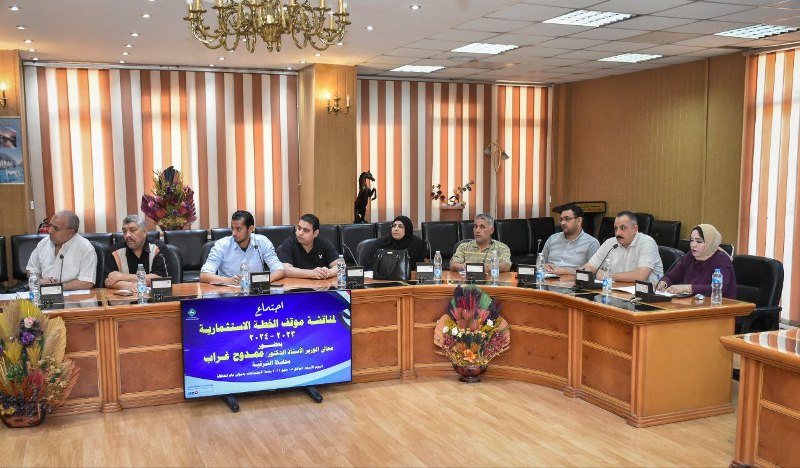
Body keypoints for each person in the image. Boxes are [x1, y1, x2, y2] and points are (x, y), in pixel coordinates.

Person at [200, 210, 285, 284]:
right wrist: (229, 280)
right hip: (228, 292)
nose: (234, 233)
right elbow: (204, 275)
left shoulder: (262, 242)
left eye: (238, 229)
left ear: (250, 229)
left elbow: (280, 270)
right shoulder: (222, 245)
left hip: (255, 292)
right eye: (232, 228)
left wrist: (261, 280)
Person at [581, 211, 663, 283]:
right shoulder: (610, 243)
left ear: (635, 229)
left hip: (646, 294)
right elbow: (590, 267)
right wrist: (582, 272)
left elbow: (641, 276)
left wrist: (609, 276)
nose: (618, 233)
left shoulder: (647, 242)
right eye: (615, 228)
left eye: (623, 228)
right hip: (617, 290)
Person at [656, 224, 737, 297]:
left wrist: (689, 288)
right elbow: (671, 277)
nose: (693, 245)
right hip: (693, 302)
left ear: (709, 242)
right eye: (691, 240)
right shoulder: (690, 256)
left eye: (699, 241)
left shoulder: (721, 259)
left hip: (719, 305)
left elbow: (719, 289)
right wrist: (663, 283)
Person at [26, 210, 97, 290]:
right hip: (43, 294)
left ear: (70, 232)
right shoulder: (43, 243)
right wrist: (38, 281)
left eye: (56, 228)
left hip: (72, 296)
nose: (50, 231)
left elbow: (87, 283)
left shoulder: (86, 248)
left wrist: (57, 287)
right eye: (50, 225)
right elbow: (32, 270)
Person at [104, 214, 172, 292]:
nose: (127, 235)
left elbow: (161, 279)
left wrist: (123, 277)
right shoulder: (114, 251)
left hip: (154, 297)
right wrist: (129, 285)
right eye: (124, 231)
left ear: (144, 232)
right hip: (124, 298)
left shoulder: (158, 248)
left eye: (132, 230)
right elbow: (107, 281)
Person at [542, 204, 600, 275]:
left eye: (567, 219)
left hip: (573, 281)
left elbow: (593, 272)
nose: (563, 223)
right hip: (548, 280)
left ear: (579, 221)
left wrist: (567, 272)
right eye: (561, 220)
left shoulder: (592, 243)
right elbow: (540, 263)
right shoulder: (552, 239)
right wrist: (544, 266)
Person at [277, 213, 340, 279]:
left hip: (319, 284)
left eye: (305, 230)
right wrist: (311, 273)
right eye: (299, 228)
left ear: (315, 233)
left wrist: (329, 272)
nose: (300, 233)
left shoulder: (324, 243)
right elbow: (285, 270)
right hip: (296, 284)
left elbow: (340, 265)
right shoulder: (289, 243)